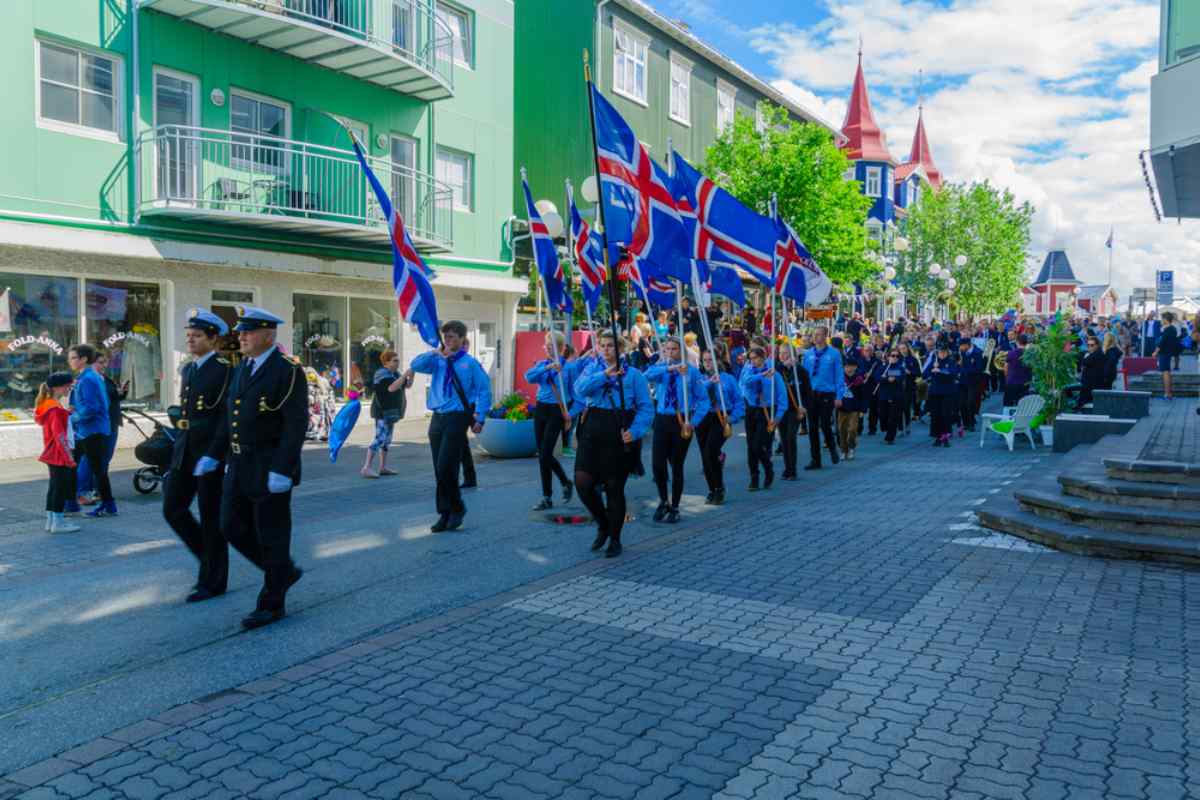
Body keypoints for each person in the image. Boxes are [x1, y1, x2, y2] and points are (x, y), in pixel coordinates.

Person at [194, 306, 307, 629]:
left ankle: (271, 603)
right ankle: (282, 572)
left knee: (272, 534)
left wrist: (283, 468)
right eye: (240, 331)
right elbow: (229, 418)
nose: (240, 336)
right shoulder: (243, 366)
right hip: (239, 462)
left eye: (248, 331)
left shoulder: (287, 370)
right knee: (229, 525)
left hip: (269, 464)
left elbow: (295, 424)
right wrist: (214, 454)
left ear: (268, 336)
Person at [163, 310, 233, 603]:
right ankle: (208, 558)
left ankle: (213, 580)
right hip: (185, 447)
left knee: (210, 516)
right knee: (173, 508)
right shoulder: (189, 369)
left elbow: (225, 416)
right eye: (188, 335)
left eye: (197, 336)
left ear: (213, 338)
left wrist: (216, 454)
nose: (190, 340)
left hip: (208, 451)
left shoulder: (225, 369)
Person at [573, 331, 653, 557]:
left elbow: (646, 407)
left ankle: (615, 539)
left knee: (614, 487)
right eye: (603, 345)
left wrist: (635, 431)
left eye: (611, 346)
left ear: (621, 350)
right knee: (582, 482)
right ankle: (603, 523)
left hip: (619, 430)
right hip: (592, 429)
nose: (606, 349)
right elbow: (579, 390)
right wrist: (604, 375)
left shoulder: (635, 375)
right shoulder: (592, 369)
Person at [406, 321, 492, 530]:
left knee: (447, 465)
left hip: (457, 415)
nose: (449, 341)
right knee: (439, 467)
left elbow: (484, 390)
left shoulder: (470, 364)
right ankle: (445, 513)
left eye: (453, 337)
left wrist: (479, 417)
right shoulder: (437, 361)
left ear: (462, 339)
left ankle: (457, 507)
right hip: (437, 416)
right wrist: (435, 353)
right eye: (446, 337)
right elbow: (416, 364)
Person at [645, 338, 708, 523]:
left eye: (674, 349)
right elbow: (645, 376)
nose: (670, 352)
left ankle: (675, 505)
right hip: (662, 419)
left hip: (682, 420)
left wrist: (693, 421)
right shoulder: (661, 369)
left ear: (682, 351)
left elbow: (703, 399)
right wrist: (668, 368)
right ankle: (663, 500)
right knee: (657, 464)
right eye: (667, 349)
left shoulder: (692, 372)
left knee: (676, 464)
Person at [525, 332, 576, 511]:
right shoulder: (542, 365)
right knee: (542, 455)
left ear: (561, 348)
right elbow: (528, 377)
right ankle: (550, 494)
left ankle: (560, 485)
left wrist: (571, 413)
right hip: (541, 409)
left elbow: (575, 394)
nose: (546, 347)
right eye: (546, 344)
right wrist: (546, 369)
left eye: (551, 345)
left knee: (546, 453)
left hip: (557, 410)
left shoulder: (568, 368)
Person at [67, 344, 116, 518]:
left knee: (98, 471)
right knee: (73, 464)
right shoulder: (87, 376)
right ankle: (71, 504)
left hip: (92, 431)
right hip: (87, 430)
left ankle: (108, 505)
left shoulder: (87, 378)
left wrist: (71, 419)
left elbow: (92, 408)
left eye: (73, 358)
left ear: (84, 359)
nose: (70, 361)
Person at [76, 349, 126, 507]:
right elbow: (91, 405)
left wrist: (121, 393)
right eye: (101, 362)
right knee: (90, 460)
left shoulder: (102, 378)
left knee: (103, 460)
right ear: (91, 363)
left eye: (106, 361)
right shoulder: (91, 380)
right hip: (98, 426)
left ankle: (99, 491)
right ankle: (83, 492)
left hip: (110, 423)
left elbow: (110, 398)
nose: (105, 365)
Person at [697, 349, 744, 505]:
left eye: (711, 359)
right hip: (703, 418)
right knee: (705, 456)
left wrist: (732, 417)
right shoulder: (699, 379)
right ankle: (711, 488)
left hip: (721, 417)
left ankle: (719, 488)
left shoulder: (728, 379)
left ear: (718, 361)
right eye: (705, 360)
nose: (708, 363)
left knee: (711, 451)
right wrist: (711, 382)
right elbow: (696, 394)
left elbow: (739, 402)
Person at [36, 372, 79, 534]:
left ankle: (51, 520)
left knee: (54, 487)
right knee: (60, 488)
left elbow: (56, 427)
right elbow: (60, 435)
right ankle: (58, 523)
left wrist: (66, 413)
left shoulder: (49, 405)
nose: (70, 388)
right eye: (69, 386)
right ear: (59, 387)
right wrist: (69, 458)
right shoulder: (55, 408)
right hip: (59, 453)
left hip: (52, 452)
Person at [739, 346, 786, 490]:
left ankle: (768, 467)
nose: (753, 361)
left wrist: (778, 417)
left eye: (756, 358)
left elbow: (782, 396)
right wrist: (761, 375)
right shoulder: (748, 371)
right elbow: (745, 382)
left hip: (767, 411)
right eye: (750, 358)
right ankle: (754, 476)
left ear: (763, 358)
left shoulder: (774, 374)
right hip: (752, 410)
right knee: (750, 447)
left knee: (758, 445)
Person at [362, 350, 410, 479]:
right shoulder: (382, 374)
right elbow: (391, 387)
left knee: (387, 440)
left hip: (392, 411)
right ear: (386, 362)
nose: (397, 363)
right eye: (395, 360)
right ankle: (366, 467)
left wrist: (414, 372)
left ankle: (382, 467)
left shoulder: (396, 374)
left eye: (398, 360)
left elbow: (408, 385)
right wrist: (405, 375)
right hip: (382, 412)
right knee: (379, 438)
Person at [801, 326, 844, 470]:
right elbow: (803, 375)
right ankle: (815, 459)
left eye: (819, 335)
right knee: (812, 428)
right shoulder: (808, 354)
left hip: (827, 393)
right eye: (814, 335)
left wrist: (839, 395)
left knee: (825, 424)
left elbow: (839, 376)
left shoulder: (834, 354)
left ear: (825, 336)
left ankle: (832, 448)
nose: (815, 337)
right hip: (811, 394)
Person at [775, 344, 811, 479]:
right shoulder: (778, 369)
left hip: (795, 409)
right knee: (783, 439)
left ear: (792, 355)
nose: (782, 356)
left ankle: (793, 469)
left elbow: (808, 392)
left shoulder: (801, 371)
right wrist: (784, 367)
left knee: (791, 437)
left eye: (785, 353)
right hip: (781, 408)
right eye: (780, 353)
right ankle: (787, 468)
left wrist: (805, 407)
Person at [924, 338, 960, 447]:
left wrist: (941, 371)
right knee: (935, 415)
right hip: (935, 392)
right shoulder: (934, 360)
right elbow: (924, 374)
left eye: (944, 352)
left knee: (946, 415)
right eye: (940, 352)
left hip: (948, 392)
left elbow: (953, 373)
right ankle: (938, 437)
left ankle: (945, 437)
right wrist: (931, 369)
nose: (942, 354)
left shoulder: (951, 360)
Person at [837, 358, 867, 460]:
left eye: (850, 366)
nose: (848, 369)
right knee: (842, 430)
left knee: (853, 429)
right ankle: (843, 450)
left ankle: (851, 448)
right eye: (846, 367)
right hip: (842, 408)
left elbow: (863, 396)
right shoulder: (840, 378)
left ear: (855, 367)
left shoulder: (859, 380)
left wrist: (863, 410)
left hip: (854, 408)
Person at [957, 338, 985, 434]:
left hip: (974, 381)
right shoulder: (963, 353)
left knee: (970, 402)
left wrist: (962, 369)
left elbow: (979, 368)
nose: (959, 348)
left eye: (961, 346)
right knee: (961, 403)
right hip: (963, 381)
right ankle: (965, 423)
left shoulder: (977, 353)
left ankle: (971, 423)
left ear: (967, 345)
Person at [878, 349, 907, 444]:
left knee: (893, 417)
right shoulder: (883, 367)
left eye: (896, 356)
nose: (894, 358)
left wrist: (893, 378)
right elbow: (877, 377)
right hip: (884, 396)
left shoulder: (900, 368)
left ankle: (890, 437)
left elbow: (901, 377)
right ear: (888, 356)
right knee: (883, 416)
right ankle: (886, 428)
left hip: (896, 396)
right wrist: (886, 378)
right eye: (892, 355)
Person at [1154, 312, 1181, 401]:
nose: (1161, 321)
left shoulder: (1168, 329)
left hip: (1164, 353)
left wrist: (1155, 352)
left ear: (1165, 319)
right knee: (1167, 373)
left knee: (1165, 373)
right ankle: (1168, 393)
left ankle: (1167, 394)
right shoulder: (1172, 329)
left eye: (1162, 319)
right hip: (1168, 353)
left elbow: (1162, 343)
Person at [1077, 336, 1108, 410]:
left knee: (1085, 405)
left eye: (1092, 345)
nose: (1090, 347)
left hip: (1092, 385)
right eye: (1088, 345)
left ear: (1097, 345)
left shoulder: (1097, 354)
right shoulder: (1094, 353)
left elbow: (1085, 362)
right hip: (1090, 384)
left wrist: (1085, 356)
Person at [1003, 334, 1033, 406]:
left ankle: (1008, 417)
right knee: (1022, 405)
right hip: (1025, 383)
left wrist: (1007, 377)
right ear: (1026, 342)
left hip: (1011, 382)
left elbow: (1005, 367)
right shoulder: (1030, 354)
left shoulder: (1011, 353)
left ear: (1017, 342)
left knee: (1008, 404)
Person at [898, 342, 920, 434]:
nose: (902, 350)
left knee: (906, 407)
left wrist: (909, 372)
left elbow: (918, 373)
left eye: (904, 348)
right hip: (898, 387)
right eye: (901, 349)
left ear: (907, 349)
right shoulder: (897, 359)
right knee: (898, 408)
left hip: (909, 386)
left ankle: (907, 424)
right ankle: (900, 428)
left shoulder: (913, 359)